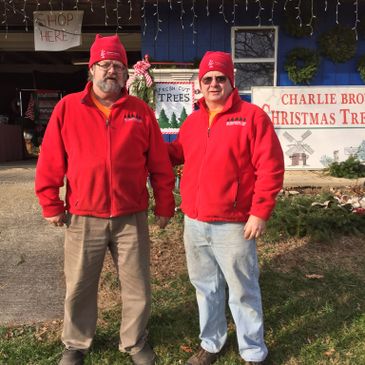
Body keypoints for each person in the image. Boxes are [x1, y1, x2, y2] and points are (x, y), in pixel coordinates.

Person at [35, 34, 175, 365]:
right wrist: (50, 202)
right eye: (104, 64)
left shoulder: (140, 112)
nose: (110, 71)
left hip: (131, 215)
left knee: (137, 284)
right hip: (84, 215)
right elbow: (51, 159)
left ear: (126, 74)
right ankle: (76, 343)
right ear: (92, 70)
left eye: (117, 65)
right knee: (80, 285)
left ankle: (134, 341)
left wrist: (165, 204)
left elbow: (158, 163)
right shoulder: (68, 108)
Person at [168, 51, 284, 365]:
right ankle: (211, 343)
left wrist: (260, 211)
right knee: (205, 287)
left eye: (221, 78)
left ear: (231, 81)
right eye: (207, 79)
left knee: (243, 289)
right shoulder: (192, 121)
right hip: (194, 220)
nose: (214, 84)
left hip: (234, 222)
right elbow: (179, 153)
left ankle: (253, 351)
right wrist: (151, 146)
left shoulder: (251, 117)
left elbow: (271, 167)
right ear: (200, 84)